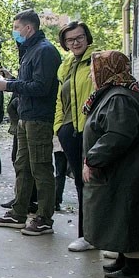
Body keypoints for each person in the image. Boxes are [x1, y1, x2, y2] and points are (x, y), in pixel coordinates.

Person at [82, 50, 139, 278]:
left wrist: (93, 159)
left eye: (93, 70)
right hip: (128, 169)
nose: (91, 75)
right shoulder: (123, 90)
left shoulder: (119, 96)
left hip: (129, 171)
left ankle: (135, 269)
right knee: (121, 217)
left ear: (107, 70)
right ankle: (124, 261)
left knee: (127, 215)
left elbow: (118, 135)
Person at [0, 9, 62, 235]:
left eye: (16, 28)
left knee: (40, 168)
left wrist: (9, 86)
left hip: (39, 118)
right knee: (23, 166)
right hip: (24, 116)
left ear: (28, 28)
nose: (15, 33)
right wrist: (12, 79)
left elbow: (41, 87)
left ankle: (44, 219)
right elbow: (28, 82)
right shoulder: (30, 51)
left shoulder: (45, 51)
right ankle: (18, 213)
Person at [55, 21, 97, 252]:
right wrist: (58, 126)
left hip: (91, 131)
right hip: (69, 130)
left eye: (79, 37)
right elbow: (60, 99)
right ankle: (86, 234)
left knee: (94, 182)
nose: (76, 42)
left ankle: (96, 234)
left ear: (87, 37)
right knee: (80, 184)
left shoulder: (97, 61)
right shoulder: (67, 65)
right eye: (70, 40)